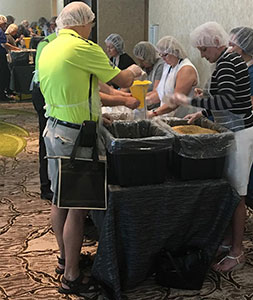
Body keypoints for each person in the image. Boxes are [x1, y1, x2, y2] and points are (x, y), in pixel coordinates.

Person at [38, 2, 142, 295]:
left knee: (59, 199)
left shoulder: (51, 48)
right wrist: (135, 67)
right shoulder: (83, 47)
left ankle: (63, 258)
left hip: (55, 128)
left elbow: (79, 88)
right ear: (82, 23)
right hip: (76, 137)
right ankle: (72, 276)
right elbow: (121, 80)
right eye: (91, 24)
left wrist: (95, 110)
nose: (91, 29)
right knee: (78, 206)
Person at [169, 22, 253, 272]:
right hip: (235, 129)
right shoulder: (225, 61)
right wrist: (202, 113)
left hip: (242, 132)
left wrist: (189, 100)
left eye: (203, 50)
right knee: (231, 190)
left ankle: (237, 252)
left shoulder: (229, 62)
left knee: (237, 194)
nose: (201, 55)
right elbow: (226, 97)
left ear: (214, 44)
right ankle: (230, 239)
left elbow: (228, 100)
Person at [228, 27, 253, 201]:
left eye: (231, 45)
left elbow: (250, 109)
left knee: (241, 185)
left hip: (244, 133)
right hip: (230, 130)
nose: (228, 49)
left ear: (241, 48)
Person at [147, 35, 200, 118]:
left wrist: (154, 113)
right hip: (166, 115)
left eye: (165, 55)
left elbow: (176, 101)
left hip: (183, 118)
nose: (163, 59)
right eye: (161, 55)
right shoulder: (168, 66)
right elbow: (162, 93)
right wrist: (144, 100)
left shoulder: (186, 69)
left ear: (175, 52)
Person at [32, 32, 57, 201]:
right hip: (45, 94)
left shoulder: (47, 42)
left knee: (47, 140)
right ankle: (47, 186)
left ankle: (48, 185)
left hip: (42, 92)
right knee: (47, 141)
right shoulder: (52, 43)